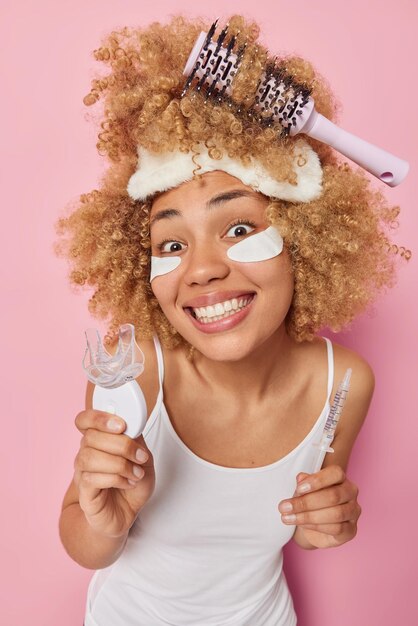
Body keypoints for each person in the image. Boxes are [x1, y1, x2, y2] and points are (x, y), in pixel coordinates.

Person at [57, 15, 408, 626]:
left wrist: (327, 522)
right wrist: (102, 519)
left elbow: (302, 527)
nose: (201, 271)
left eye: (239, 229)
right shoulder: (132, 372)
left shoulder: (343, 384)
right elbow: (86, 542)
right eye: (170, 244)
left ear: (305, 242)